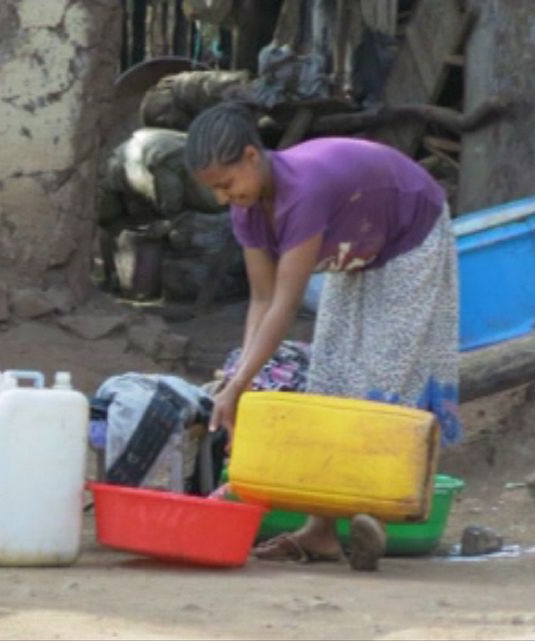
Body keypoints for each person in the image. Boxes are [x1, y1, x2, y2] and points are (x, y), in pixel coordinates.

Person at [186, 102, 462, 571]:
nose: (221, 198)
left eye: (226, 184)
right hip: (360, 242)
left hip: (410, 229)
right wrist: (241, 381)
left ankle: (371, 508)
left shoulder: (302, 192)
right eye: (213, 190)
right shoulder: (247, 209)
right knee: (330, 376)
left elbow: (285, 306)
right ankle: (321, 531)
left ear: (252, 157)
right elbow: (260, 298)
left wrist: (239, 386)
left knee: (382, 373)